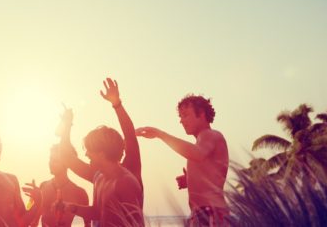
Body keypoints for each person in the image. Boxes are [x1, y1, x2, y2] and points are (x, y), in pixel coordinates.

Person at [59, 78, 144, 226]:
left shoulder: (127, 177)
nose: (86, 155)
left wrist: (117, 104)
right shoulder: (99, 177)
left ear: (102, 153)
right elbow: (98, 213)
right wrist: (67, 125)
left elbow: (130, 136)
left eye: (89, 151)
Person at [135, 94, 229, 226]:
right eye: (180, 116)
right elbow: (208, 170)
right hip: (203, 212)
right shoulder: (203, 140)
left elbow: (198, 154)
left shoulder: (210, 134)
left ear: (201, 114)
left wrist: (160, 134)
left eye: (185, 115)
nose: (181, 121)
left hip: (210, 212)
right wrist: (191, 180)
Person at [34, 143, 90, 227]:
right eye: (50, 159)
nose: (51, 163)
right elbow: (35, 221)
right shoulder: (43, 186)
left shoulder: (80, 193)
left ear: (67, 163)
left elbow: (88, 224)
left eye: (55, 161)